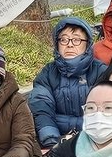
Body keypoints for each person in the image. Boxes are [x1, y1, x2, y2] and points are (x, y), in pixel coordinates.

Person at [29, 17, 107, 149]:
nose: (69, 44)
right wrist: (52, 143)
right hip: (56, 142)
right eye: (63, 40)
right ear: (57, 43)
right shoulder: (47, 73)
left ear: (87, 44)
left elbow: (107, 110)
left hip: (95, 141)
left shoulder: (101, 71)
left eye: (76, 40)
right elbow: (42, 110)